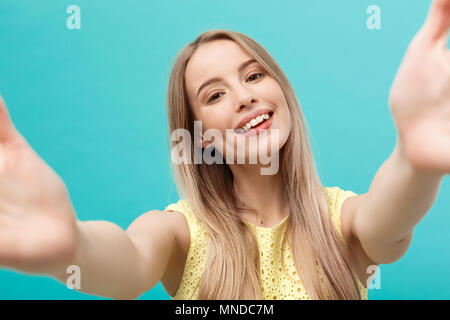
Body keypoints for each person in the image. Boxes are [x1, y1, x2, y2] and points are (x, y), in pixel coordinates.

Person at [0, 0, 449, 300]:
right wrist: (73, 252)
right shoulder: (178, 233)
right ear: (201, 137)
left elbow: (391, 219)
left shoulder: (342, 221)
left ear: (283, 92)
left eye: (254, 76)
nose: (243, 96)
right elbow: (129, 261)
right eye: (214, 96)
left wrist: (415, 162)